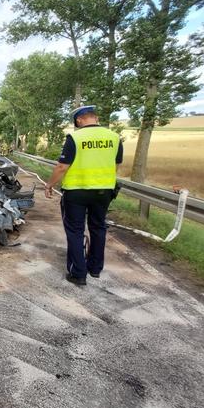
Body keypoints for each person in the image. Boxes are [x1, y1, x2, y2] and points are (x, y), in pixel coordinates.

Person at [44, 105, 123, 286]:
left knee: (75, 230)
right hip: (104, 192)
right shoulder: (114, 137)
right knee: (98, 227)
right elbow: (116, 164)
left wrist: (49, 185)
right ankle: (95, 268)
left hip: (76, 192)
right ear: (95, 117)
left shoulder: (75, 137)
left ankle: (78, 273)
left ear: (79, 120)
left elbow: (62, 166)